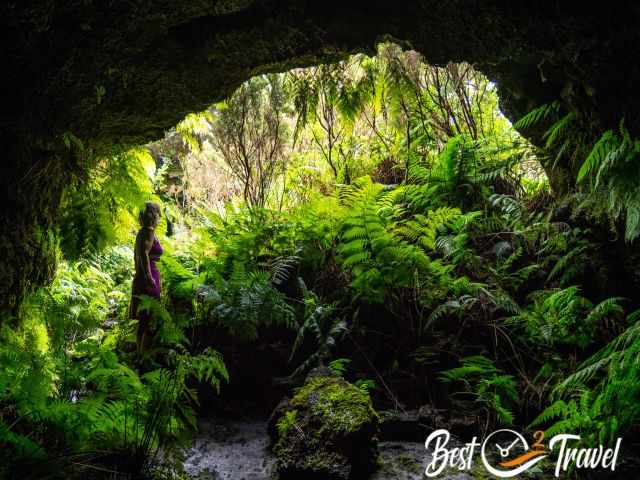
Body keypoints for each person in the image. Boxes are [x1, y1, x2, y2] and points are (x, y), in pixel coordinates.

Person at [129, 201, 163, 354]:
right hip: (148, 280)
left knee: (143, 321)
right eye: (158, 214)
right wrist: (150, 278)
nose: (160, 217)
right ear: (154, 215)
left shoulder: (141, 232)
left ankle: (139, 354)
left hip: (140, 279)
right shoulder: (149, 231)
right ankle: (143, 358)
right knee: (150, 320)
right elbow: (143, 254)